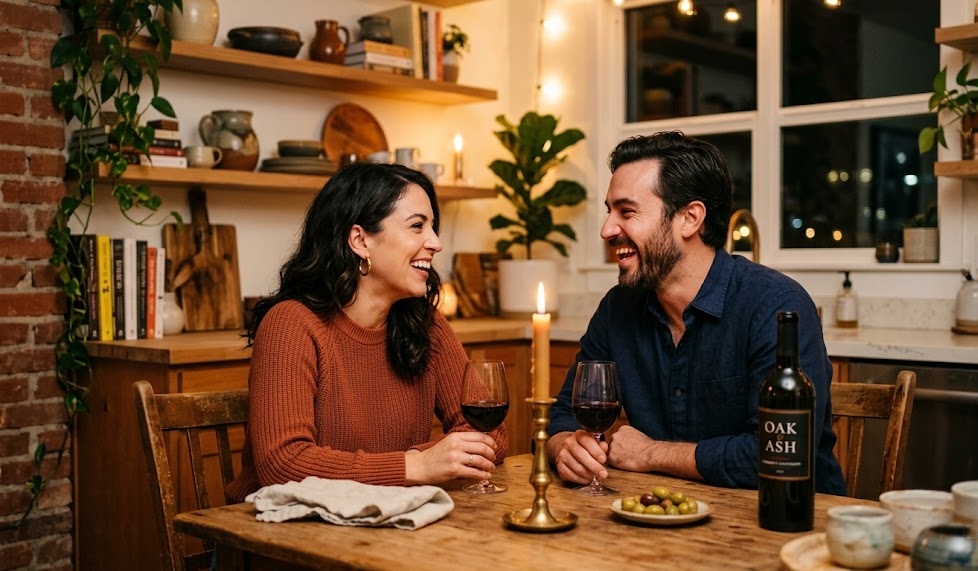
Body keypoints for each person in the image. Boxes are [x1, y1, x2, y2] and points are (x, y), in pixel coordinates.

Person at [546, 132, 845, 494]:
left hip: (785, 526)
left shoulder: (777, 307)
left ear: (690, 218)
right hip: (661, 525)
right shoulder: (618, 308)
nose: (607, 229)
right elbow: (563, 414)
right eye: (610, 212)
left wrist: (652, 453)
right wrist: (565, 446)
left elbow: (778, 455)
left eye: (627, 212)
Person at [227, 162, 507, 503]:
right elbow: (284, 465)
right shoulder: (291, 324)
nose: (435, 243)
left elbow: (489, 432)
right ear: (360, 240)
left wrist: (427, 462)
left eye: (433, 227)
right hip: (280, 538)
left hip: (386, 523)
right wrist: (414, 466)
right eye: (417, 226)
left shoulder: (425, 325)